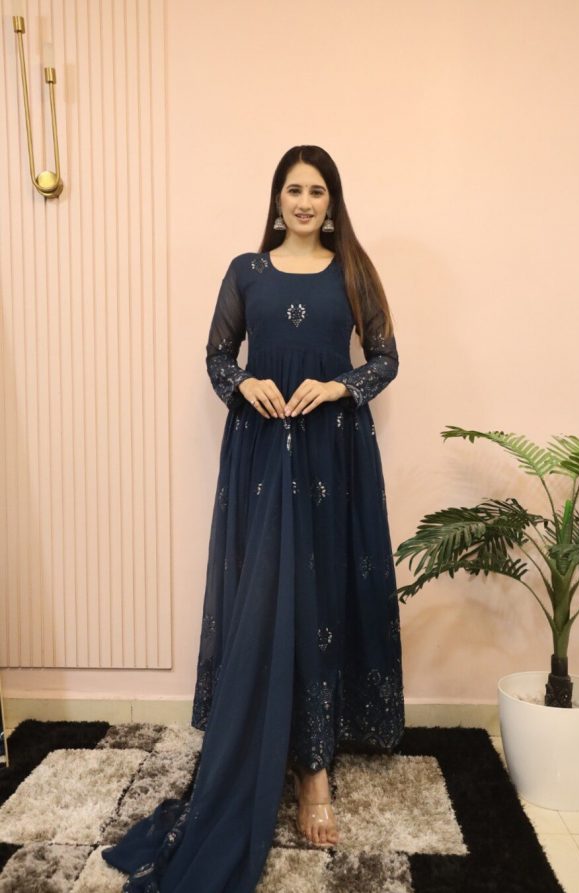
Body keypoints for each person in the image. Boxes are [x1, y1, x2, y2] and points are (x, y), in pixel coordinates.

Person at [102, 144, 404, 892]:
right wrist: (244, 382)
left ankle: (314, 772)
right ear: (276, 199)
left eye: (316, 191)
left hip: (332, 454)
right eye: (293, 189)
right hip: (262, 451)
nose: (304, 202)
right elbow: (215, 356)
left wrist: (338, 388)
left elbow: (385, 358)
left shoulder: (353, 270)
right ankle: (262, 743)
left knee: (322, 599)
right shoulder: (247, 270)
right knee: (264, 598)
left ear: (332, 202)